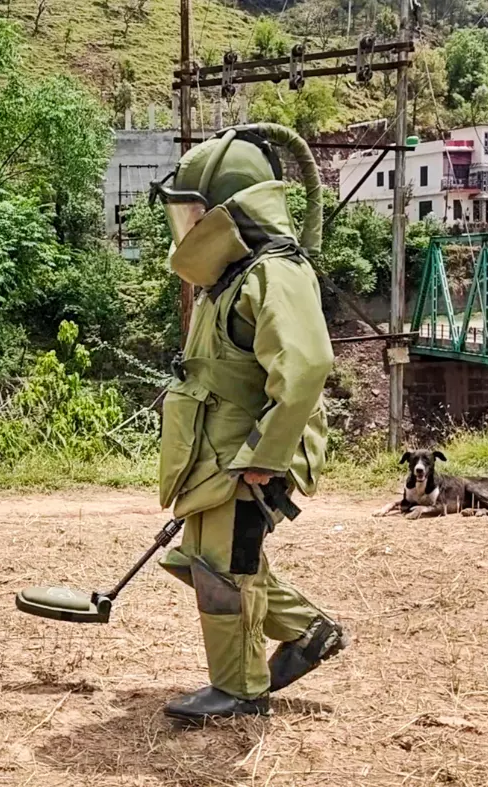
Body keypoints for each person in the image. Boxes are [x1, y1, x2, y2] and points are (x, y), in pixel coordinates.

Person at [151, 124, 348, 724]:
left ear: (226, 212)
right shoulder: (232, 277)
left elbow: (306, 365)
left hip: (246, 458)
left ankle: (239, 689)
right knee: (205, 561)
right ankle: (309, 630)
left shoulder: (274, 273)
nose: (186, 227)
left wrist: (266, 456)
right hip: (217, 454)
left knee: (223, 570)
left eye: (194, 213)